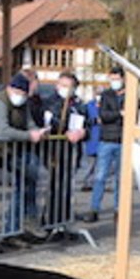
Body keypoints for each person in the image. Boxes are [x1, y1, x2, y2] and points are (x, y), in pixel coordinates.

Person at [0, 72, 48, 246]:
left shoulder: (22, 103)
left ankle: (17, 227)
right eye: (19, 93)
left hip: (10, 150)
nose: (21, 97)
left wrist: (38, 132)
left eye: (24, 94)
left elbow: (29, 122)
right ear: (10, 88)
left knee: (28, 180)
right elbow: (1, 130)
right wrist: (28, 135)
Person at [40, 71, 88, 237]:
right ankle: (50, 222)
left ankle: (63, 221)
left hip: (72, 152)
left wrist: (82, 132)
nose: (65, 89)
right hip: (54, 151)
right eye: (62, 85)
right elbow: (47, 123)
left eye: (69, 87)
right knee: (54, 187)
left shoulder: (78, 104)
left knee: (66, 188)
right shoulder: (49, 102)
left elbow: (85, 123)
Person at [79, 66, 125, 223]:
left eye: (117, 79)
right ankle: (94, 209)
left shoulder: (129, 95)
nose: (114, 82)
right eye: (112, 79)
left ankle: (119, 210)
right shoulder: (106, 95)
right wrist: (119, 114)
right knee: (100, 177)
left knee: (121, 179)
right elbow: (103, 115)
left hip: (122, 141)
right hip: (106, 139)